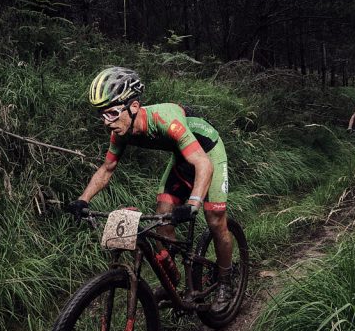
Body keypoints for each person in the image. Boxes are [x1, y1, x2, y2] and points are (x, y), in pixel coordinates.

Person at [66, 67, 235, 311]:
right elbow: (107, 168)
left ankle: (226, 280)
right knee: (162, 217)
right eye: (102, 115)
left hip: (208, 152)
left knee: (215, 218)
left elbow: (203, 164)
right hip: (183, 156)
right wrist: (82, 200)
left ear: (134, 107)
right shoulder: (120, 131)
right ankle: (173, 282)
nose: (107, 122)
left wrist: (193, 204)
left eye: (112, 113)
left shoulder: (166, 120)